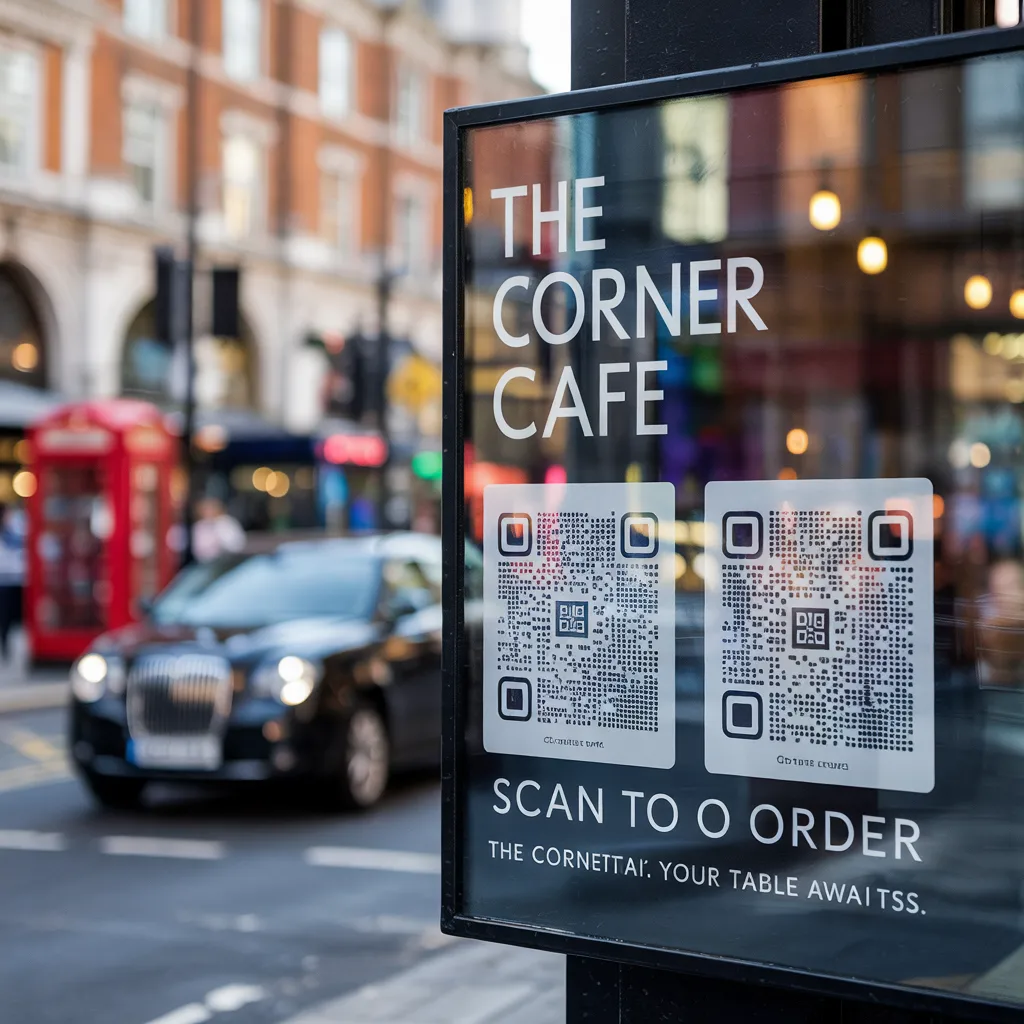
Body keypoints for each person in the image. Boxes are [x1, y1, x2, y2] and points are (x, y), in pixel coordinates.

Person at [0, 504, 26, 661]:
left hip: (17, 579)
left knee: (17, 618)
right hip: (3, 581)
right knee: (5, 619)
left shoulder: (16, 529)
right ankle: (5, 647)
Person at [191, 497, 246, 563]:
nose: (208, 512)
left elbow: (236, 545)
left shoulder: (225, 522)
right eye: (205, 510)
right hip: (206, 563)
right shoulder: (199, 526)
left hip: (228, 561)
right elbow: (198, 550)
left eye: (210, 509)